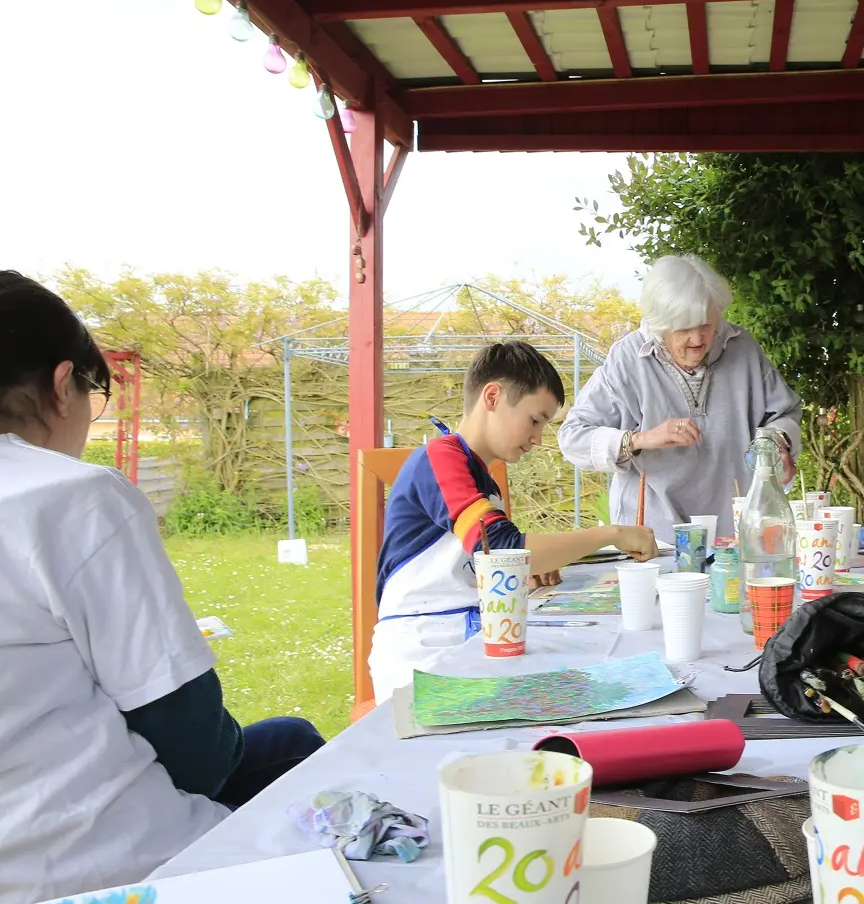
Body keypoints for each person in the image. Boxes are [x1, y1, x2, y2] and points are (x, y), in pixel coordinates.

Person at [0, 271, 326, 903]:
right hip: (106, 862)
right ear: (63, 383)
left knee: (284, 738)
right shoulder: (70, 497)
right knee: (298, 751)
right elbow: (195, 748)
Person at [371, 341, 657, 698]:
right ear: (492, 397)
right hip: (426, 653)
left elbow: (493, 559)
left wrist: (523, 573)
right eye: (535, 420)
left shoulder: (483, 478)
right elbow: (505, 551)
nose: (537, 438)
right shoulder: (441, 458)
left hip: (470, 637)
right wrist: (612, 534)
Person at [558, 255, 803, 541]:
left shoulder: (742, 348)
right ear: (661, 324)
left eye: (706, 325)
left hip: (733, 532)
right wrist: (641, 439)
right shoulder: (627, 359)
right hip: (652, 537)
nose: (698, 339)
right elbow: (573, 438)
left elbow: (785, 413)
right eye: (684, 328)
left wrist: (777, 441)